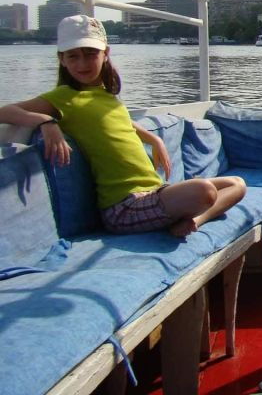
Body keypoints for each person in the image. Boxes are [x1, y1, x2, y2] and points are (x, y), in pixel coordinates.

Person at [0, 15, 246, 238]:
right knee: (204, 190)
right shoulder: (63, 97)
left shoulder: (107, 96)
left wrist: (153, 139)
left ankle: (194, 221)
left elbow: (121, 123)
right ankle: (190, 215)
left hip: (154, 193)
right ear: (62, 59)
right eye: (73, 56)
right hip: (123, 207)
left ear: (105, 53)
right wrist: (46, 121)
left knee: (237, 184)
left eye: (90, 54)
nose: (82, 63)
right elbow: (5, 111)